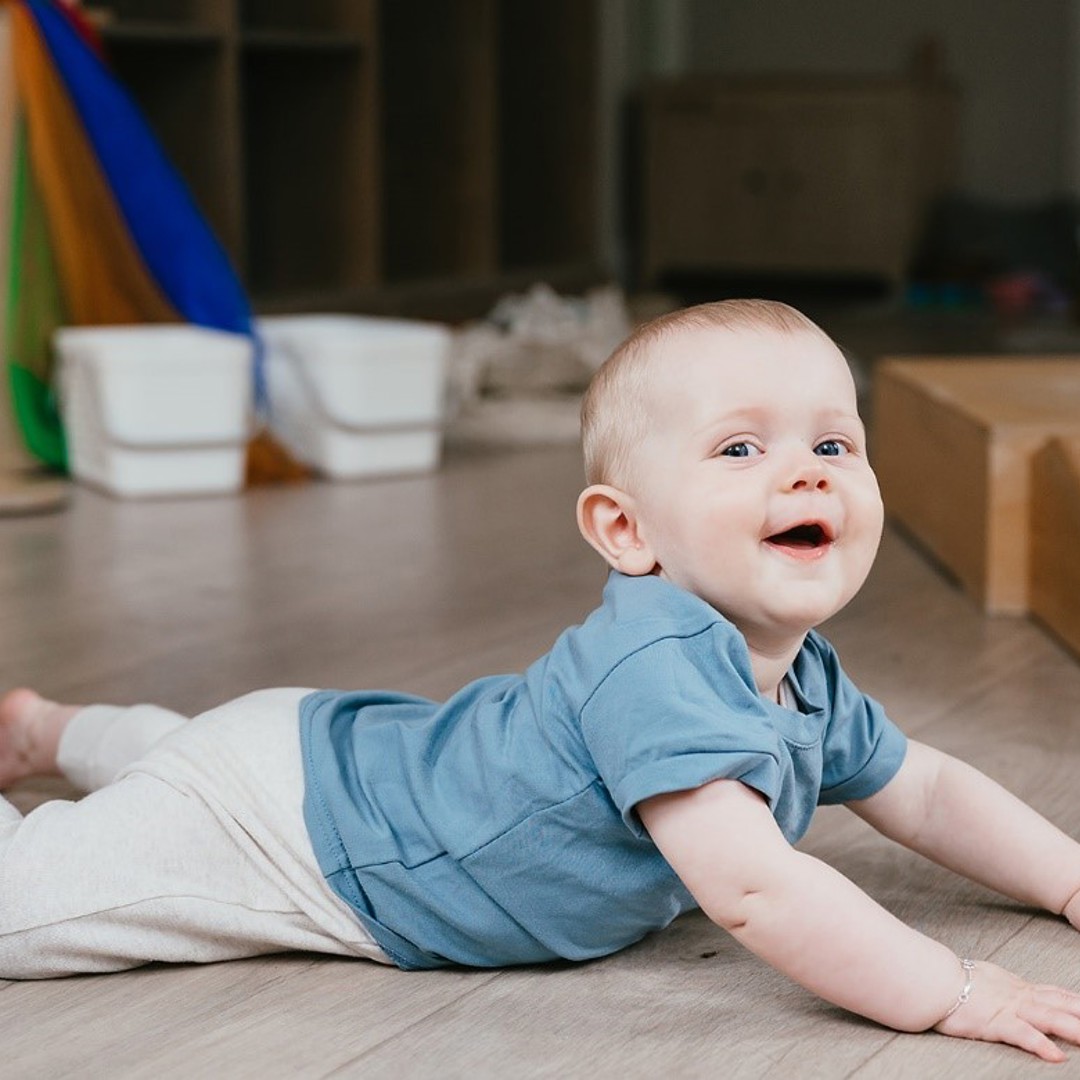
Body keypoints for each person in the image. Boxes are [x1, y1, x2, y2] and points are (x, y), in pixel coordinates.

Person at [3, 299, 1080, 1063]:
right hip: (310, 845)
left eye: (835, 443)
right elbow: (757, 889)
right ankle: (67, 745)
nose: (807, 471)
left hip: (319, 746)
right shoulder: (657, 669)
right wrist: (956, 990)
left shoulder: (798, 676)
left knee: (188, 763)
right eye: (741, 449)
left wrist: (1066, 877)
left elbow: (928, 792)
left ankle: (55, 732)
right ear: (626, 530)